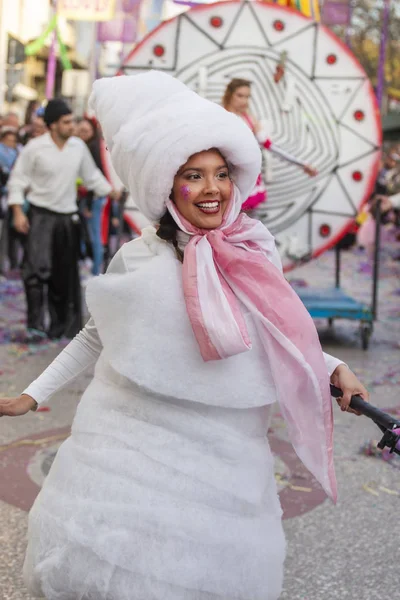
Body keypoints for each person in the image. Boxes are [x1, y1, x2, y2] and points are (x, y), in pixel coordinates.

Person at [0, 72, 368, 600]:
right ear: (169, 185)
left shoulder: (253, 249)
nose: (212, 189)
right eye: (194, 175)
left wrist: (333, 367)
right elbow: (93, 336)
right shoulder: (138, 255)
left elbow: (276, 327)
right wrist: (30, 395)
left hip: (223, 456)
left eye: (221, 174)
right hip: (130, 448)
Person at [7, 99, 115, 342]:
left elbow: (92, 178)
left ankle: (59, 326)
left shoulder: (77, 147)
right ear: (53, 125)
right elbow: (17, 181)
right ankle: (35, 325)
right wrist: (17, 212)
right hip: (40, 216)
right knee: (35, 271)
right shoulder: (35, 148)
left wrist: (112, 191)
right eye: (66, 122)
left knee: (62, 275)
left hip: (66, 219)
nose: (72, 126)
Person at [222, 78, 317, 214]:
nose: (244, 101)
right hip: (227, 182)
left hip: (249, 181)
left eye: (247, 96)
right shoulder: (220, 117)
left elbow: (271, 146)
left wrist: (302, 164)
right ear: (229, 94)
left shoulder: (250, 119)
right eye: (240, 95)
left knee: (246, 228)